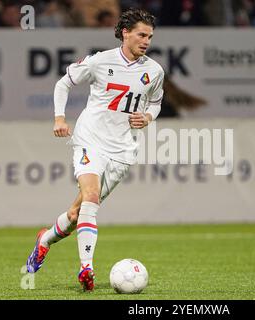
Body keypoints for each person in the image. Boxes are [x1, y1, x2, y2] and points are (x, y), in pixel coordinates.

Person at [25, 8, 164, 292]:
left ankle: (45, 239)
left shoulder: (154, 71)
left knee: (78, 213)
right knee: (90, 196)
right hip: (91, 139)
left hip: (123, 150)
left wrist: (147, 117)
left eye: (150, 36)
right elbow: (63, 83)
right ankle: (86, 268)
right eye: (141, 34)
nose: (147, 41)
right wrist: (59, 118)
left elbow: (156, 102)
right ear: (125, 33)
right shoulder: (101, 61)